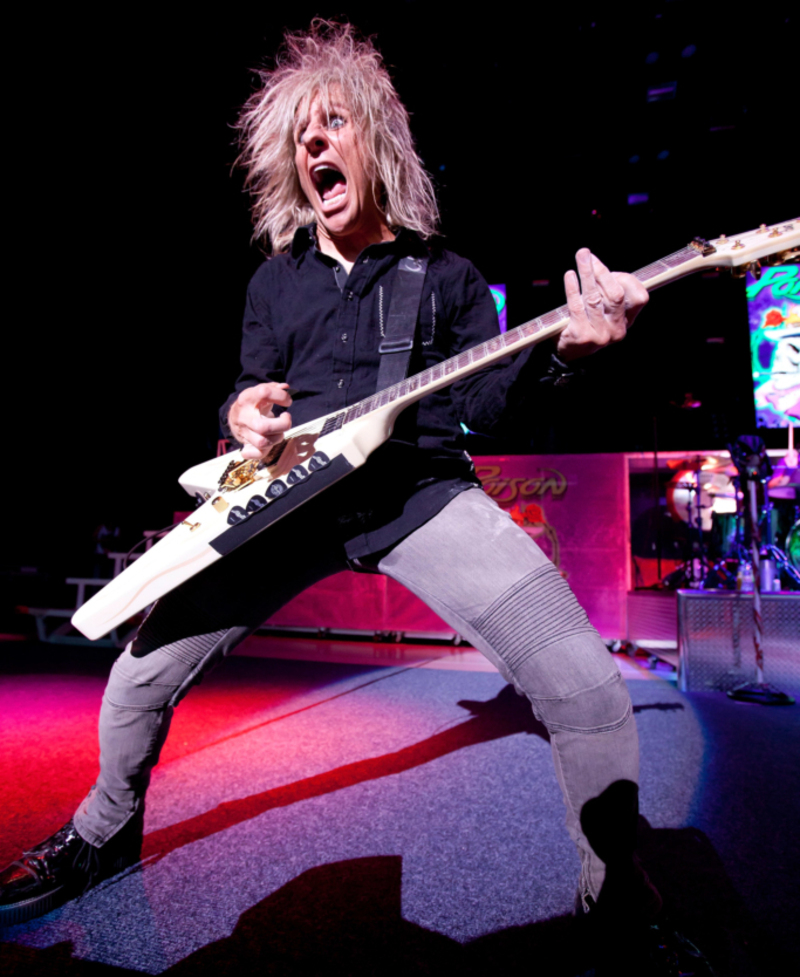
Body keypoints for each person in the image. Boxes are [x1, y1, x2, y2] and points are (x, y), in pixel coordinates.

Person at [1, 20, 659, 951]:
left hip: (420, 492)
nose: (314, 144)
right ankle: (101, 835)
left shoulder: (447, 277)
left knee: (588, 688)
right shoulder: (275, 283)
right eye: (300, 135)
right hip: (288, 502)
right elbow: (250, 390)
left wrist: (568, 356)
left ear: (377, 144)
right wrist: (244, 413)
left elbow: (492, 407)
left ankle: (618, 909)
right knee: (136, 678)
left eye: (333, 124)